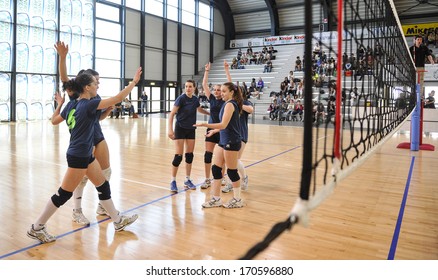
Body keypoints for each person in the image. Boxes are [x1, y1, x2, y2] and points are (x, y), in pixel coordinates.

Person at [27, 68, 142, 244]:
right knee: (63, 194)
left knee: (103, 185)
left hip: (85, 154)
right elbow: (118, 98)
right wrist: (133, 82)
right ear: (87, 87)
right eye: (95, 83)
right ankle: (37, 227)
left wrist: (60, 103)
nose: (98, 86)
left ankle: (118, 221)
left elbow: (54, 120)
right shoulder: (88, 104)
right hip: (78, 156)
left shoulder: (72, 105)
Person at [54, 41, 113, 226]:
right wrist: (62, 57)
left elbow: (98, 119)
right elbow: (64, 79)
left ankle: (103, 206)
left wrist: (108, 111)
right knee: (81, 178)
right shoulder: (77, 95)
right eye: (96, 80)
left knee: (106, 171)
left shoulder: (96, 98)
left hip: (98, 135)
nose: (98, 83)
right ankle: (77, 211)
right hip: (84, 141)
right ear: (86, 83)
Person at [195, 82, 244, 209]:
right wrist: (215, 131)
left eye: (224, 91)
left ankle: (238, 199)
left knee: (232, 172)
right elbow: (226, 125)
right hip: (223, 140)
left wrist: (205, 125)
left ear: (231, 92)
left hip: (231, 141)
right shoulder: (226, 104)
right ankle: (216, 199)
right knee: (216, 169)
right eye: (220, 91)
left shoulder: (230, 105)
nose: (221, 93)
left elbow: (223, 124)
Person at [168, 80, 209, 192]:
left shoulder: (195, 99)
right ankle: (173, 181)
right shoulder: (181, 98)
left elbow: (199, 109)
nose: (188, 88)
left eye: (190, 86)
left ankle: (187, 179)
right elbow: (172, 114)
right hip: (180, 128)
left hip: (191, 129)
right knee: (178, 156)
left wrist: (210, 113)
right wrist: (170, 130)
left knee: (189, 155)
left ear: (194, 88)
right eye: (186, 86)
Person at [200, 62, 225, 189]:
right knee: (208, 155)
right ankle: (207, 179)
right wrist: (207, 71)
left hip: (221, 130)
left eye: (219, 90)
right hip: (210, 129)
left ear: (222, 91)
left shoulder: (226, 101)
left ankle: (223, 176)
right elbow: (204, 84)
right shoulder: (212, 99)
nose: (216, 92)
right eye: (215, 90)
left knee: (223, 156)